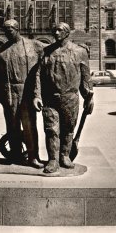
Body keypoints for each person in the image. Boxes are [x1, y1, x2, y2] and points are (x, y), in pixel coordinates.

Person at [33, 22, 94, 174]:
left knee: (68, 129)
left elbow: (86, 77)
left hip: (70, 97)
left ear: (67, 33)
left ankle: (64, 156)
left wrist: (88, 96)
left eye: (60, 30)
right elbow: (38, 75)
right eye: (55, 30)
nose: (56, 33)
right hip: (50, 98)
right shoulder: (46, 52)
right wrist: (37, 95)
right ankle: (53, 159)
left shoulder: (79, 52)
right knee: (51, 130)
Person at [0, 19, 44, 168]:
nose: (7, 33)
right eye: (5, 31)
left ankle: (33, 157)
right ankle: (15, 155)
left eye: (10, 30)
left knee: (29, 126)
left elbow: (52, 52)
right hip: (8, 92)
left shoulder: (33, 45)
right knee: (12, 126)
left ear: (17, 29)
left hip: (27, 91)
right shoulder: (1, 50)